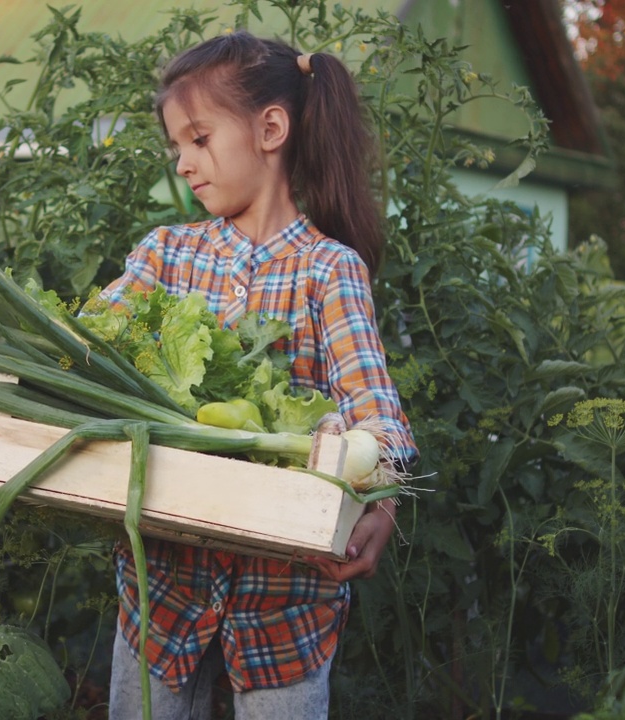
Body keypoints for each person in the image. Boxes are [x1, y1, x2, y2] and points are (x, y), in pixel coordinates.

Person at [97, 31, 418, 720]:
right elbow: (79, 349)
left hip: (287, 605)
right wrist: (17, 443)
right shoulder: (166, 256)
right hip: (164, 596)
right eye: (176, 146)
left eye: (199, 139)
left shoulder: (329, 270)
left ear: (270, 128)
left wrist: (384, 495)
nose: (183, 163)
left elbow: (374, 408)